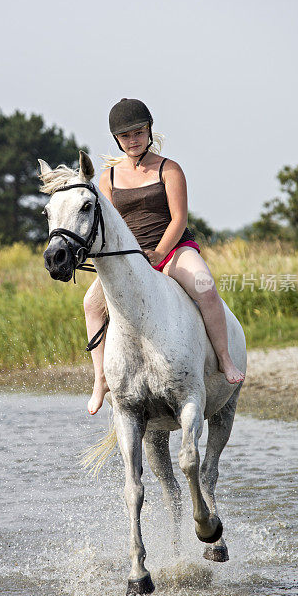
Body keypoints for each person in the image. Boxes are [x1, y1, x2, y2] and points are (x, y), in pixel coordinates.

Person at [85, 97, 245, 415]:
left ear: (149, 131)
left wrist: (159, 253)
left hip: (172, 249)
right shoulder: (108, 178)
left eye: (138, 132)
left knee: (204, 284)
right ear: (117, 139)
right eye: (125, 136)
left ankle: (226, 358)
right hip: (131, 259)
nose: (133, 140)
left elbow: (179, 218)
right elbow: (112, 227)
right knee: (91, 303)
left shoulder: (169, 169)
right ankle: (101, 378)